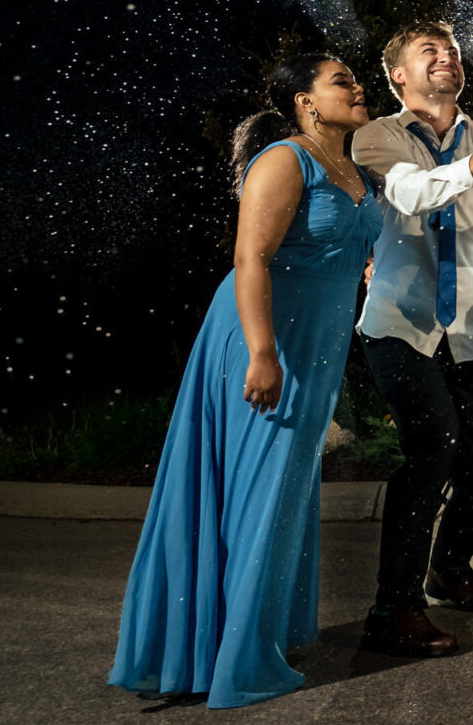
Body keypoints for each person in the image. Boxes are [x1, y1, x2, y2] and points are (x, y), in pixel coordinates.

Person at [110, 56, 382, 707]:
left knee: (284, 488)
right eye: (342, 80)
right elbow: (250, 256)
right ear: (305, 101)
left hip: (318, 346)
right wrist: (262, 351)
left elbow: (350, 250)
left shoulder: (359, 171)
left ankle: (253, 630)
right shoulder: (286, 160)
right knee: (257, 488)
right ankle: (228, 654)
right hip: (264, 337)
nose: (357, 87)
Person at [352, 21, 473, 658]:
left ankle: (450, 567)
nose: (445, 58)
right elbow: (409, 193)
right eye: (428, 51)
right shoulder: (376, 138)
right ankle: (392, 609)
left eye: (451, 51)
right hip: (401, 324)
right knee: (434, 447)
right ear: (398, 74)